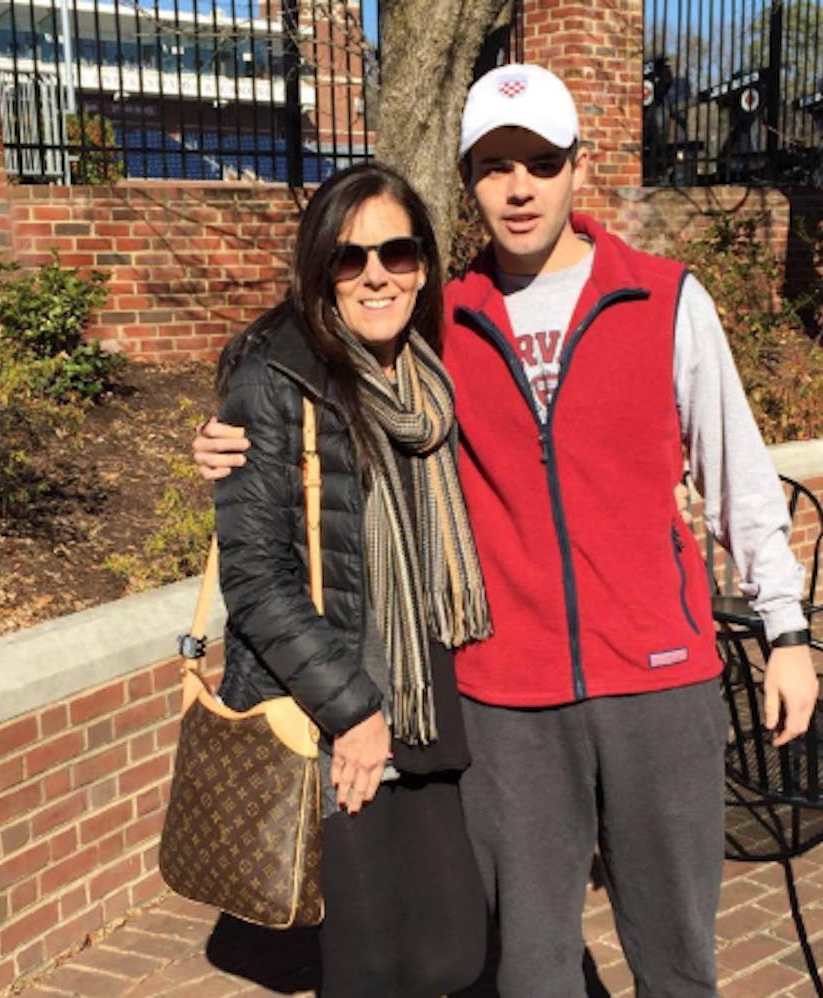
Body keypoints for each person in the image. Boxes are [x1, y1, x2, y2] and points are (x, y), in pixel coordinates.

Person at [194, 65, 819, 998]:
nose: (519, 186)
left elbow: (740, 478)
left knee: (678, 958)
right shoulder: (441, 318)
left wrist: (787, 630)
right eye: (494, 166)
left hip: (660, 678)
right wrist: (226, 427)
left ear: (577, 167)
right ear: (469, 180)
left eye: (541, 161)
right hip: (506, 696)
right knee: (528, 968)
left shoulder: (665, 298)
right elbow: (316, 338)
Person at [212, 161, 489, 998]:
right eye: (349, 255)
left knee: (451, 951)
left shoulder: (429, 380)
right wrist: (353, 709)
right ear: (319, 267)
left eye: (397, 253)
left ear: (424, 265)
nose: (376, 274)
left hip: (431, 701)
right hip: (346, 716)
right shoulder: (274, 378)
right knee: (371, 968)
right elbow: (254, 578)